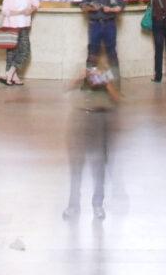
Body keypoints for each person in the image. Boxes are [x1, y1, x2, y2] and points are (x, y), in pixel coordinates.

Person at [63, 63, 120, 221]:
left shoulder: (109, 72)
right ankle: (73, 205)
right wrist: (79, 77)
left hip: (99, 120)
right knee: (76, 167)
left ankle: (97, 205)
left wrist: (106, 83)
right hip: (80, 120)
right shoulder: (82, 72)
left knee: (98, 167)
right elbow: (66, 88)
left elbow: (117, 98)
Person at [81, 0, 125, 77]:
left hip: (109, 24)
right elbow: (82, 5)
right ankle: (89, 81)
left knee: (111, 52)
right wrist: (91, 8)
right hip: (94, 24)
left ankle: (115, 81)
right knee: (92, 52)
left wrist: (110, 9)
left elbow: (121, 6)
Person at [0, 0, 40, 86]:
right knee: (11, 52)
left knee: (25, 51)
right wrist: (21, 11)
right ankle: (14, 77)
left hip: (23, 26)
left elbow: (37, 3)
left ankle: (9, 73)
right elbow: (5, 11)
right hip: (11, 26)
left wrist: (31, 9)